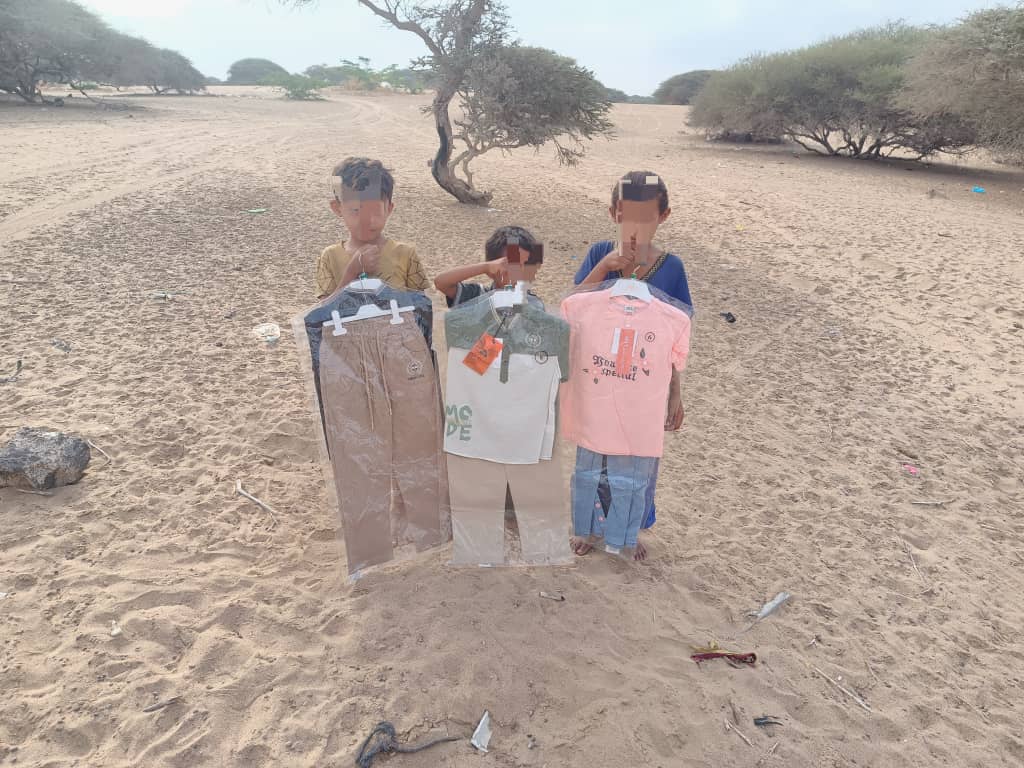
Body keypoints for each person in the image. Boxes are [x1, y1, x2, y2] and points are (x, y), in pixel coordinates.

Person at [572, 170, 694, 560]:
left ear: (664, 216)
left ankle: (627, 530)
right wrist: (604, 267)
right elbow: (574, 305)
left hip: (644, 386)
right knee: (595, 455)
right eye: (628, 216)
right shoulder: (599, 254)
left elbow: (675, 336)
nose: (636, 227)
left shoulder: (671, 268)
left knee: (638, 458)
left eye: (647, 217)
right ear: (613, 213)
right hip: (598, 378)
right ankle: (591, 529)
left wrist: (675, 394)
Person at [315, 157, 429, 299]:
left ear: (388, 209)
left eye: (375, 211)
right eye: (356, 210)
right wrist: (352, 271)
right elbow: (324, 310)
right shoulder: (329, 257)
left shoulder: (405, 254)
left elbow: (423, 305)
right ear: (337, 208)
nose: (366, 221)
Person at [433, 225, 544, 308]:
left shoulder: (533, 304)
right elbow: (441, 282)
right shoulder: (477, 295)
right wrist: (484, 267)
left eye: (527, 264)